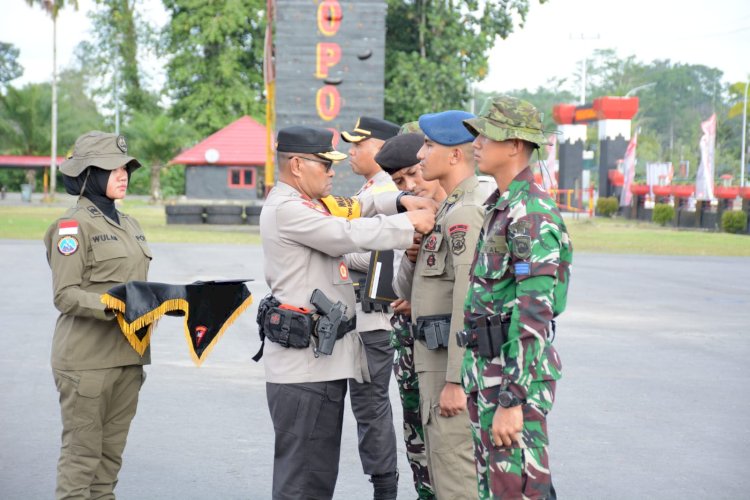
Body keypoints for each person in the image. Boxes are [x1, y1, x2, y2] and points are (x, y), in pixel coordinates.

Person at [258, 125, 435, 500]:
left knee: (317, 476)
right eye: (324, 164)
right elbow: (347, 233)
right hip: (303, 371)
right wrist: (408, 223)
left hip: (319, 365)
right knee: (302, 482)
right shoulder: (288, 208)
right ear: (296, 165)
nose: (332, 171)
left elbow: (359, 205)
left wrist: (399, 201)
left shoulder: (308, 202)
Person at [459, 96, 573, 499]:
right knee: (497, 489)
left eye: (486, 134)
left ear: (514, 145)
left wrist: (512, 398)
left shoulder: (530, 214)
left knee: (519, 490)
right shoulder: (502, 207)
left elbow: (534, 315)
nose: (476, 143)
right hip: (488, 375)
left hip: (511, 382)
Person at [43, 131, 152, 499]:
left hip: (127, 359)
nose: (122, 174)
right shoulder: (72, 226)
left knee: (108, 465)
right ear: (88, 174)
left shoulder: (131, 225)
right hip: (86, 363)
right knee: (81, 461)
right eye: (112, 168)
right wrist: (114, 304)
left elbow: (138, 287)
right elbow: (65, 295)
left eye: (125, 168)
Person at [395, 110, 485, 499]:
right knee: (443, 477)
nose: (421, 155)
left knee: (457, 483)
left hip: (448, 375)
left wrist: (455, 381)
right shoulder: (448, 209)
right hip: (432, 368)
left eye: (430, 146)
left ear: (454, 156)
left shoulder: (466, 211)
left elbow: (467, 301)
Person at [375, 131, 445, 500]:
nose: (411, 185)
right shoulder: (412, 213)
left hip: (452, 352)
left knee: (460, 452)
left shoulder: (469, 210)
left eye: (414, 174)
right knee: (418, 442)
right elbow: (397, 284)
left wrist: (424, 301)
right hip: (411, 343)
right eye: (399, 181)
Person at [340, 116, 402, 496]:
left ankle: (384, 489)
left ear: (378, 149)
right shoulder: (372, 188)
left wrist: (338, 251)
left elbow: (393, 255)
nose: (350, 151)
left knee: (370, 405)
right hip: (359, 317)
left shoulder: (390, 190)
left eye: (357, 144)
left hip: (374, 320)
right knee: (368, 406)